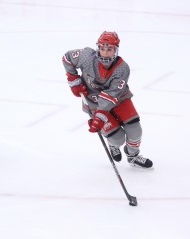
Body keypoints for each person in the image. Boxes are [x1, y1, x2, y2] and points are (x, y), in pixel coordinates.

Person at [62, 31, 153, 168]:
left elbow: (111, 96)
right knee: (118, 139)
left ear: (115, 50)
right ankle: (113, 144)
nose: (105, 52)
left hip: (118, 99)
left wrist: (99, 118)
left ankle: (133, 156)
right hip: (94, 102)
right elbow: (67, 58)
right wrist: (73, 80)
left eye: (109, 49)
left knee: (135, 131)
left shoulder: (122, 68)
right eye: (102, 48)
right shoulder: (86, 57)